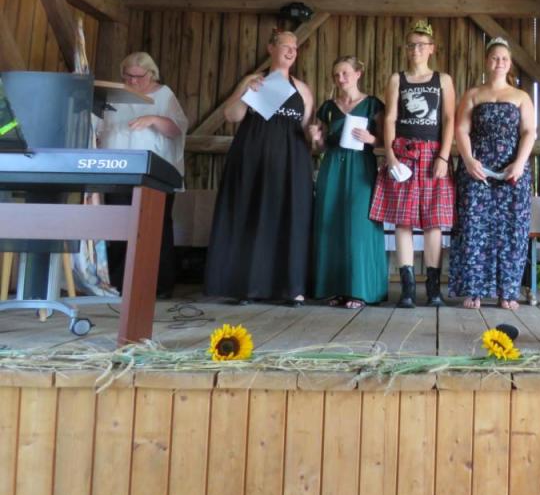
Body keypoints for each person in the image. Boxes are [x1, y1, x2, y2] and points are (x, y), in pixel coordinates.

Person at [205, 30, 314, 305]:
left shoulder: (303, 89)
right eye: (285, 46)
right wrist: (246, 93)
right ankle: (248, 287)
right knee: (251, 216)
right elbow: (231, 115)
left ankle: (291, 288)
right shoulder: (254, 80)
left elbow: (306, 131)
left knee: (290, 218)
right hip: (252, 158)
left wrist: (316, 136)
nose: (291, 51)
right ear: (271, 48)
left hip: (291, 163)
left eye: (294, 47)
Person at [370, 20, 455, 308]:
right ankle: (407, 289)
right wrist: (390, 155)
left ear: (431, 49)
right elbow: (390, 118)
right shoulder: (397, 79)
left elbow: (449, 119)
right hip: (403, 153)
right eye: (411, 45)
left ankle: (433, 289)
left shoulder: (443, 80)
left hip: (433, 154)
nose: (416, 50)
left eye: (421, 45)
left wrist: (444, 156)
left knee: (434, 222)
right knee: (402, 220)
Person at [448, 37, 535, 310]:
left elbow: (529, 132)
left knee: (512, 230)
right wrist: (468, 160)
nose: (500, 62)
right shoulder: (473, 94)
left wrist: (519, 163)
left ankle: (507, 292)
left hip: (512, 170)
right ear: (487, 61)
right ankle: (473, 290)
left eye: (504, 59)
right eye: (495, 58)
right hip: (478, 169)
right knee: (473, 227)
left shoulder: (521, 97)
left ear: (510, 64)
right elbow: (461, 129)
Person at [96, 52, 187, 298]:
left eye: (139, 76)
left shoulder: (163, 94)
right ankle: (118, 283)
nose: (133, 81)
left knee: (154, 227)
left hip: (154, 172)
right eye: (128, 76)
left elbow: (177, 128)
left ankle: (158, 285)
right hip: (116, 169)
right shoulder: (114, 94)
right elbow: (99, 127)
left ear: (151, 74)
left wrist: (154, 119)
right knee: (119, 225)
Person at [309, 56, 387, 308]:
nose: (340, 79)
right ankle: (333, 288)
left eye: (345, 73)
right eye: (336, 75)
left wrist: (371, 139)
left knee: (359, 226)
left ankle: (360, 290)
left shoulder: (373, 105)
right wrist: (316, 139)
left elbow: (386, 141)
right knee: (330, 224)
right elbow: (321, 146)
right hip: (332, 166)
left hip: (361, 166)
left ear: (358, 74)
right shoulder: (328, 107)